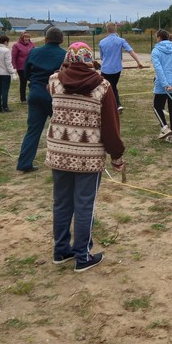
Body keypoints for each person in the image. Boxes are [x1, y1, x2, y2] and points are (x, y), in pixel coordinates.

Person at [45, 42, 125, 273]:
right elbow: (110, 127)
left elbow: (52, 93)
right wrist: (117, 156)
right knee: (84, 205)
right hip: (88, 157)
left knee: (61, 202)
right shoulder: (103, 87)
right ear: (90, 59)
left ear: (69, 58)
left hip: (59, 152)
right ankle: (82, 255)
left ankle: (61, 250)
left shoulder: (54, 81)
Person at [16, 26, 66, 173]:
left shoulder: (34, 52)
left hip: (36, 93)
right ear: (62, 40)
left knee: (33, 130)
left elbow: (26, 73)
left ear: (46, 39)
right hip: (54, 95)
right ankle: (63, 161)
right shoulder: (65, 55)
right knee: (60, 128)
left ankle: (24, 163)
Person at [98, 22, 145, 113]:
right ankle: (117, 104)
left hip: (105, 69)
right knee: (113, 86)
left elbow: (101, 57)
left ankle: (111, 104)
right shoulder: (121, 40)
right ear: (116, 29)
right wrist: (138, 62)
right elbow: (130, 51)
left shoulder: (102, 42)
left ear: (107, 30)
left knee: (106, 87)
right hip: (116, 69)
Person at [0, 35, 16, 113]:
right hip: (5, 73)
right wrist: (13, 71)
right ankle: (5, 106)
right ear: (6, 42)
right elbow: (8, 63)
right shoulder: (6, 50)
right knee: (5, 91)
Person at [11, 32, 35, 103]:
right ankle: (23, 98)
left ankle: (33, 96)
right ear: (22, 37)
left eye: (28, 37)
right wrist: (14, 67)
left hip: (31, 66)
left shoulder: (32, 45)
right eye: (25, 37)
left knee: (34, 81)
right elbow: (14, 57)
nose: (27, 39)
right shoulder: (16, 45)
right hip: (21, 67)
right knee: (23, 82)